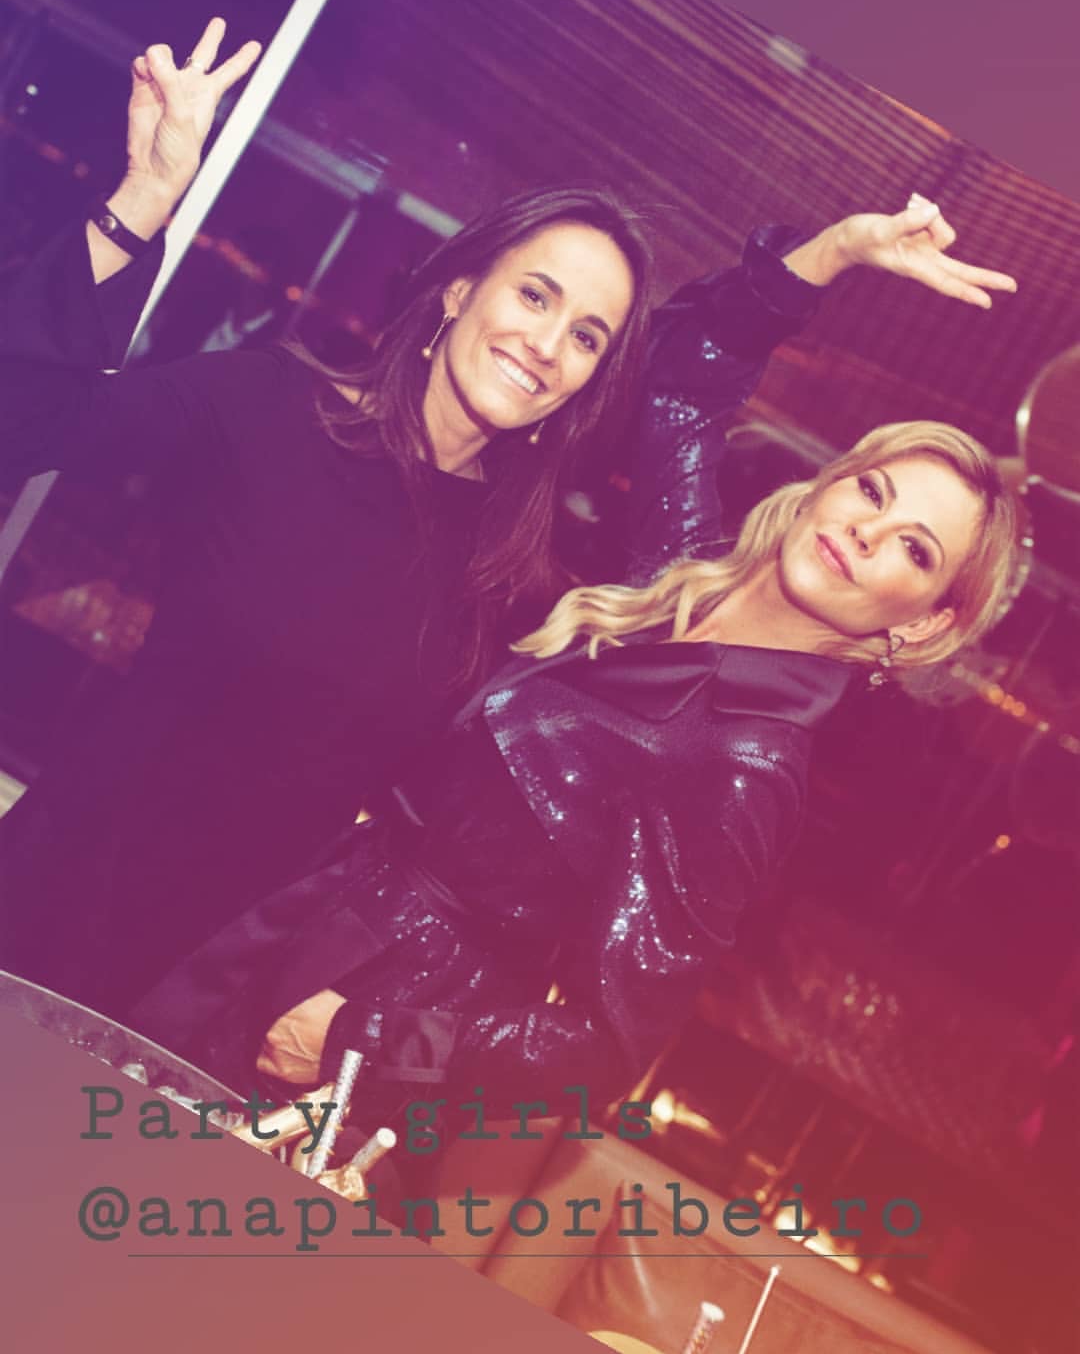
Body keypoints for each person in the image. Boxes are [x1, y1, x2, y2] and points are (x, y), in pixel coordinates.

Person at [0, 17, 1017, 1020]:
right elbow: (26, 419)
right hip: (49, 918)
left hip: (228, 995)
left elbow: (679, 391)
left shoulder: (520, 569)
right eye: (535, 296)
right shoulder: (269, 408)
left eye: (586, 336)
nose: (546, 343)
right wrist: (140, 205)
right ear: (457, 290)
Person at [133, 418, 1019, 1116]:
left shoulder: (746, 764)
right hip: (307, 910)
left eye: (915, 548)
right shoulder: (680, 590)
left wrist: (359, 1040)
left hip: (368, 1017)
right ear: (829, 482)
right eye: (871, 489)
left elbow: (601, 1055)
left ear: (924, 622)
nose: (867, 529)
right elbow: (683, 394)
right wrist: (820, 264)